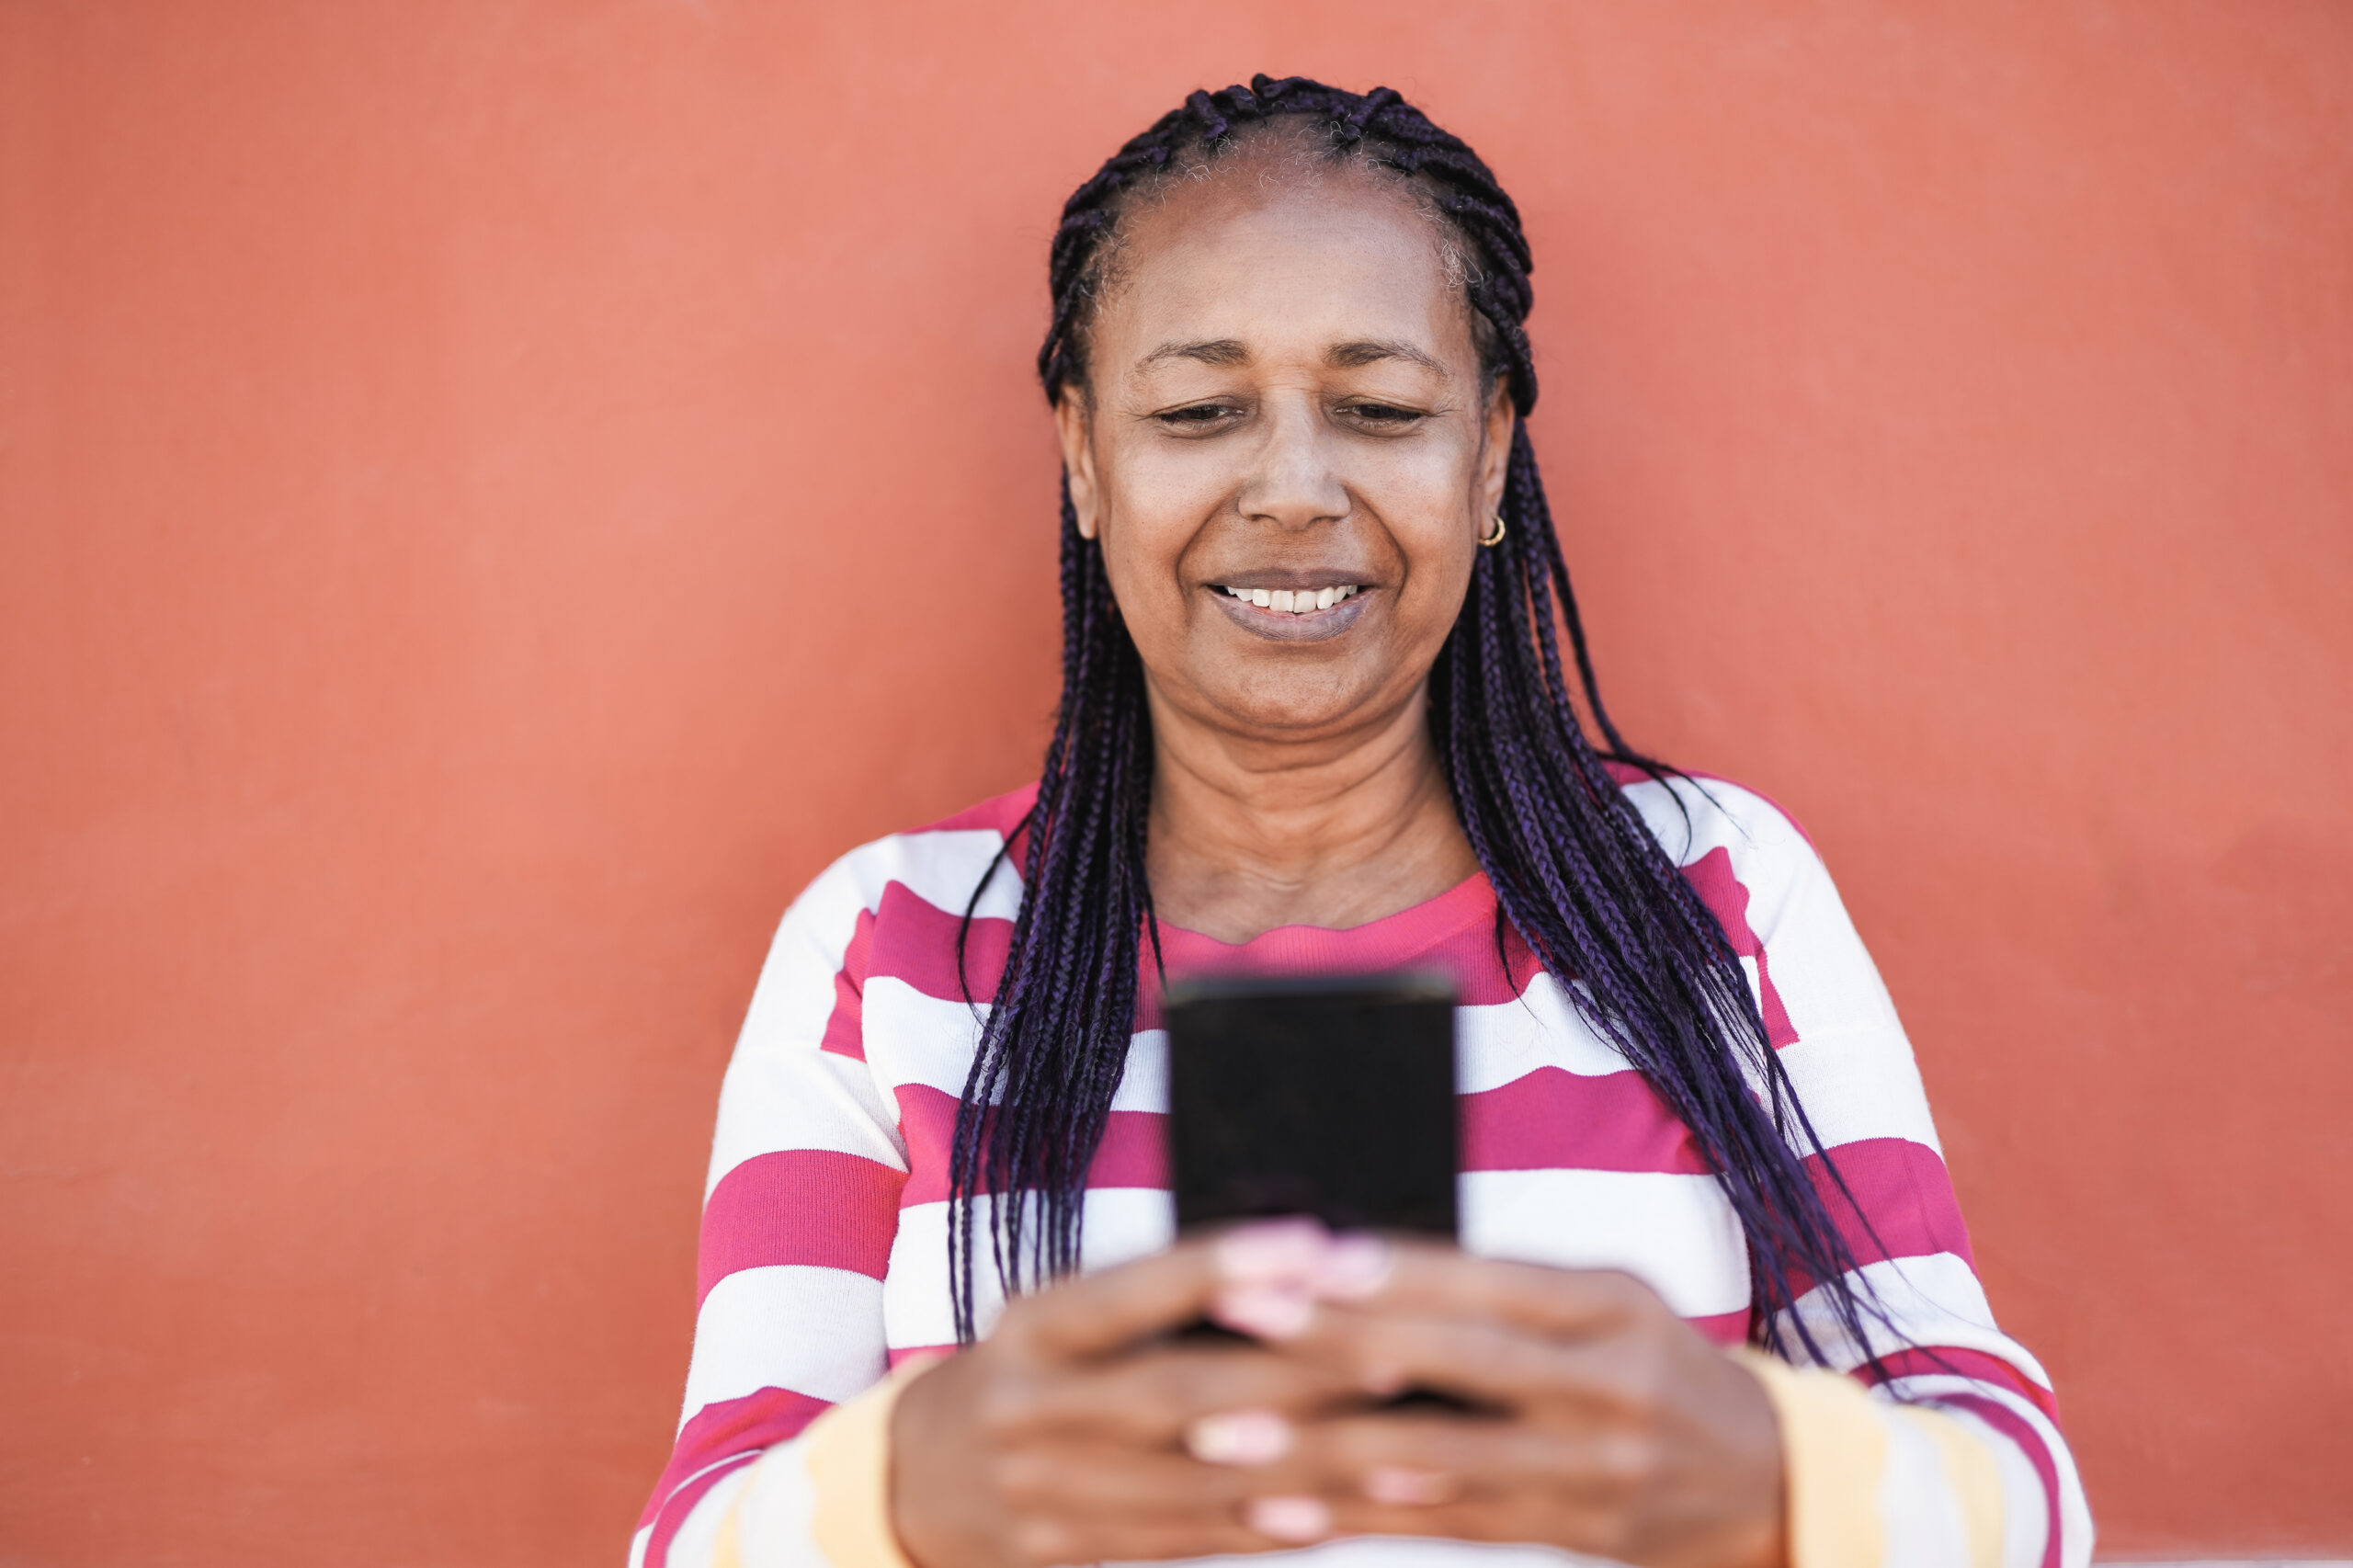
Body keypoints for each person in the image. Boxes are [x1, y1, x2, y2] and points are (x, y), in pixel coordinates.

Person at [632, 75, 2088, 1568]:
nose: (1291, 490)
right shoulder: (892, 949)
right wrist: (917, 1489)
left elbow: (2021, 1496)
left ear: (1491, 449)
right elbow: (695, 1537)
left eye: (1381, 409)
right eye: (1199, 411)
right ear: (1081, 453)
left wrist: (1755, 1472)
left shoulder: (1713, 893)